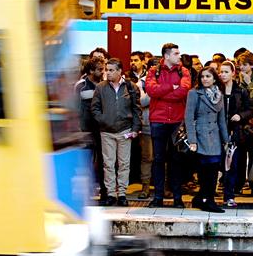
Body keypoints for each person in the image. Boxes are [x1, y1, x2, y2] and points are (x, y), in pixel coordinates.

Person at [91, 58, 143, 207]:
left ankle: (122, 194)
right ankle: (111, 194)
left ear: (120, 71)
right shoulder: (101, 87)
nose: (108, 73)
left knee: (124, 164)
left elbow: (136, 109)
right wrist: (103, 120)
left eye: (111, 70)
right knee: (108, 164)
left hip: (125, 130)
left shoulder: (131, 87)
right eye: (107, 70)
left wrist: (135, 128)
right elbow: (94, 108)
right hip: (106, 131)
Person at [146, 43, 192, 208]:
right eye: (176, 53)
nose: (179, 56)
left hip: (176, 121)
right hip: (158, 120)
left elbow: (184, 90)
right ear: (166, 56)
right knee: (158, 160)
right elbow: (151, 90)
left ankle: (177, 197)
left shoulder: (184, 71)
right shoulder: (154, 71)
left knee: (176, 160)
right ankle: (158, 196)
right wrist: (171, 87)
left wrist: (163, 92)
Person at [184, 66, 228, 213]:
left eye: (208, 76)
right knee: (204, 170)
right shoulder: (194, 93)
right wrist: (192, 140)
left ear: (214, 78)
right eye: (202, 76)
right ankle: (207, 200)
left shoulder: (219, 95)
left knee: (214, 169)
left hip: (214, 136)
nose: (205, 79)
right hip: (200, 134)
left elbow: (222, 120)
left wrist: (225, 139)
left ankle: (204, 198)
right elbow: (189, 117)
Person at [219, 61, 253, 207]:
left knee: (231, 165)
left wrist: (240, 115)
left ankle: (229, 195)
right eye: (221, 72)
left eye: (226, 72)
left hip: (235, 132)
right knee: (216, 164)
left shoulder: (241, 91)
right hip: (216, 132)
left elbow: (250, 109)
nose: (223, 74)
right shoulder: (216, 90)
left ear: (233, 73)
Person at [75, 57, 107, 204]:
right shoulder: (80, 86)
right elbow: (76, 109)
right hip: (86, 129)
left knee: (103, 161)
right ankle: (86, 193)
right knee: (86, 162)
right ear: (91, 71)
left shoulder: (105, 85)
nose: (103, 72)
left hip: (101, 128)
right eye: (100, 70)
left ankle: (104, 192)